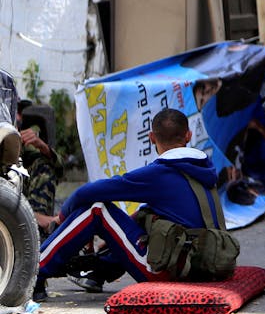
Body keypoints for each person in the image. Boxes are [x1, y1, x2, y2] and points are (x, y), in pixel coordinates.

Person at [33, 108, 224, 301]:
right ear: (189, 135)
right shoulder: (202, 169)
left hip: (169, 272)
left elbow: (87, 193)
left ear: (151, 137)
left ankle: (33, 272)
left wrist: (61, 218)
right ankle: (96, 272)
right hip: (204, 265)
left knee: (97, 210)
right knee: (142, 216)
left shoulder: (160, 173)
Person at [16, 100, 64, 236]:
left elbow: (59, 169)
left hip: (22, 210)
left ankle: (39, 228)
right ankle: (39, 220)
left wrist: (42, 146)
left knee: (44, 166)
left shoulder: (29, 155)